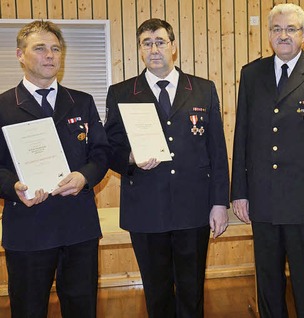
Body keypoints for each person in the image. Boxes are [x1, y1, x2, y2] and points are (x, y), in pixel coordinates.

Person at [230, 3, 304, 317]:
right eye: (277, 29)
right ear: (268, 34)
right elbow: (242, 135)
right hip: (263, 200)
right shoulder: (251, 73)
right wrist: (239, 192)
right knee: (268, 283)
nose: (284, 35)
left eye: (291, 29)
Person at [104, 18, 229, 318]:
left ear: (174, 46)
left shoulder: (202, 89)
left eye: (160, 41)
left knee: (192, 290)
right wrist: (131, 158)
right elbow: (109, 149)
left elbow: (217, 152)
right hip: (147, 209)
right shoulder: (121, 92)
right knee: (156, 292)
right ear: (140, 50)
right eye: (146, 43)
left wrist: (219, 203)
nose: (154, 49)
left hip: (193, 208)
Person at [0, 20, 110, 317]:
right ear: (20, 55)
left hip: (78, 227)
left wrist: (84, 177)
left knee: (82, 308)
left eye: (55, 49)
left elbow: (101, 153)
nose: (50, 55)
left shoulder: (82, 102)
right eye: (40, 48)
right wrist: (13, 187)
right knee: (28, 309)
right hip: (28, 228)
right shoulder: (3, 106)